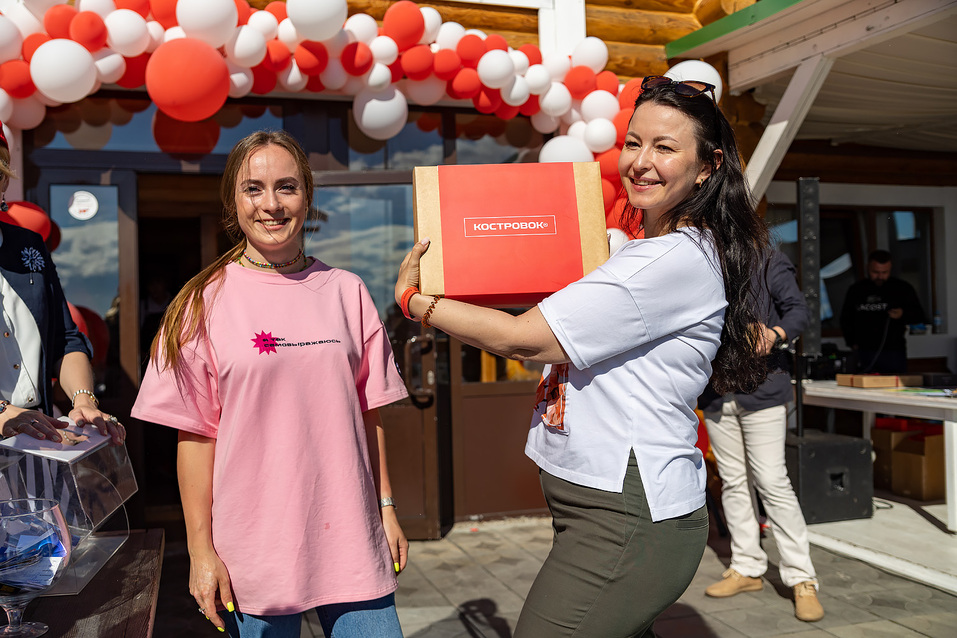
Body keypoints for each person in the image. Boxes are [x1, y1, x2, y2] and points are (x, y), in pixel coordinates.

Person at [395, 75, 769, 637]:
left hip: (626, 522)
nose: (641, 161)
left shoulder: (667, 261)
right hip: (606, 515)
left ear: (707, 168)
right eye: (634, 142)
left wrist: (416, 302)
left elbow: (523, 338)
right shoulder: (646, 252)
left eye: (665, 147)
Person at [131, 130, 409, 637]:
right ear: (232, 201)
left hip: (350, 537)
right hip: (253, 552)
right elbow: (195, 437)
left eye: (287, 187)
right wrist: (200, 551)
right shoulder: (200, 304)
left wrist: (385, 509)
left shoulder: (347, 292)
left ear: (307, 196)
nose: (272, 205)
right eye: (253, 189)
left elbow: (370, 413)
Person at [698, 249, 824, 622]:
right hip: (718, 391)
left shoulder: (768, 259)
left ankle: (802, 578)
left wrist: (775, 333)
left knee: (772, 481)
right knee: (734, 482)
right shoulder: (701, 262)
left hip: (764, 388)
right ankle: (747, 566)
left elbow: (798, 311)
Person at [0, 120, 124, 445]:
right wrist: (2, 411)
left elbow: (65, 338)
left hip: (36, 446)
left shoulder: (28, 246)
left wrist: (83, 400)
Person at [840, 249, 926, 373]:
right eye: (875, 272)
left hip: (893, 351)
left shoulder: (902, 288)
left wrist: (902, 314)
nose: (880, 276)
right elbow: (846, 318)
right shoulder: (857, 290)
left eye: (884, 272)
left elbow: (919, 315)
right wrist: (852, 342)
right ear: (867, 267)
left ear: (890, 269)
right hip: (864, 351)